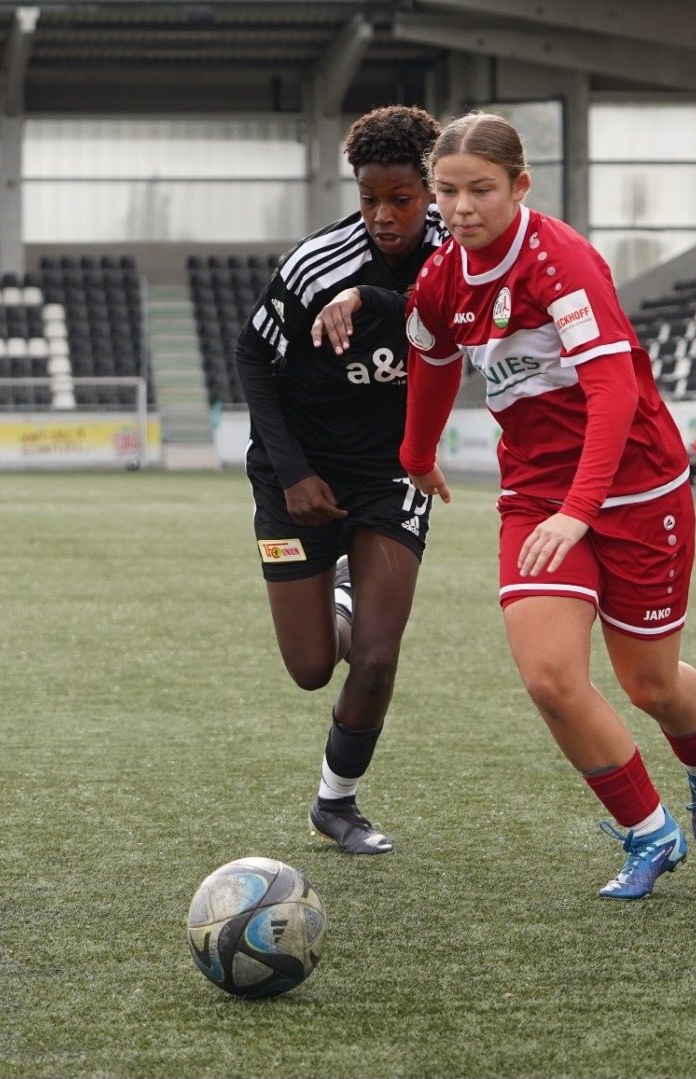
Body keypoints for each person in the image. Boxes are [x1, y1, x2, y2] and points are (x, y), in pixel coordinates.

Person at [394, 111, 696, 900]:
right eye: (446, 192)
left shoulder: (562, 260)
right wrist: (416, 453)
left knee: (650, 685)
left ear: (520, 185)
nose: (461, 207)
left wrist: (581, 509)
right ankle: (649, 831)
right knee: (550, 676)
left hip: (637, 485)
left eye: (481, 189)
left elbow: (614, 391)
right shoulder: (442, 277)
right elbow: (434, 357)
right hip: (536, 496)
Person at [233, 105, 446, 856]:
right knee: (311, 667)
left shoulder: (460, 255)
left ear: (433, 192)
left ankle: (337, 802)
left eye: (402, 200)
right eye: (368, 199)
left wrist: (376, 302)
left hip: (391, 470)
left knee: (379, 656)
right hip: (298, 470)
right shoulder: (313, 263)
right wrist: (292, 472)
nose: (383, 217)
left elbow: (467, 320)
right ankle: (344, 587)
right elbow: (253, 360)